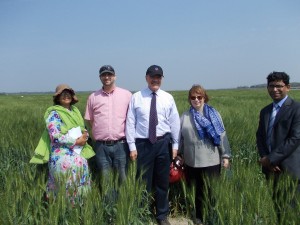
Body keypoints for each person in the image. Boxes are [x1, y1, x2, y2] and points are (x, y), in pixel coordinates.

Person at [125, 65, 180, 225]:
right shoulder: (137, 97)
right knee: (143, 182)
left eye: (159, 77)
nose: (155, 79)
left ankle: (162, 216)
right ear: (146, 77)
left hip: (163, 143)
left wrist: (175, 144)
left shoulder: (168, 98)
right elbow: (130, 122)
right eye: (152, 76)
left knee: (162, 181)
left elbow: (174, 121)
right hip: (143, 144)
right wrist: (132, 146)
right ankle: (143, 213)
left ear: (162, 79)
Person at [30, 84, 95, 202]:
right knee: (64, 187)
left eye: (68, 93)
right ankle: (61, 211)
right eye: (62, 94)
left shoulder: (75, 111)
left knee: (80, 186)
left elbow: (82, 128)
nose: (66, 96)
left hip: (78, 156)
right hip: (62, 158)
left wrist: (85, 136)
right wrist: (76, 141)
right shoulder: (54, 113)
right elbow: (55, 135)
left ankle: (79, 211)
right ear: (58, 97)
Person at [179, 84, 231, 225]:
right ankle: (199, 217)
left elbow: (222, 136)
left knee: (211, 191)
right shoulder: (184, 116)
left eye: (199, 97)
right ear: (189, 99)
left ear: (204, 98)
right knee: (197, 191)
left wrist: (225, 156)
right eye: (193, 97)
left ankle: (212, 216)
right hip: (191, 161)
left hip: (211, 160)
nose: (196, 100)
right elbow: (179, 138)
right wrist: (179, 154)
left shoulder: (213, 114)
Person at [256, 72, 300, 220]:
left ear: (288, 87)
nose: (275, 89)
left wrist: (272, 158)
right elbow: (260, 136)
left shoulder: (296, 108)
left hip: (289, 169)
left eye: (279, 86)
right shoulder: (265, 111)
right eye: (271, 86)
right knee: (278, 210)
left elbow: (295, 138)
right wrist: (264, 158)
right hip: (270, 169)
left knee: (291, 212)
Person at [85, 65, 132, 183]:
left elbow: (132, 119)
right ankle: (109, 202)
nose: (107, 77)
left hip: (121, 145)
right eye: (103, 75)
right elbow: (91, 120)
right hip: (101, 146)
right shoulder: (93, 97)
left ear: (115, 76)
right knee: (106, 180)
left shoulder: (127, 95)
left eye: (109, 74)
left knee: (123, 178)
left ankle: (123, 201)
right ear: (100, 77)